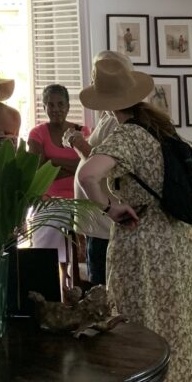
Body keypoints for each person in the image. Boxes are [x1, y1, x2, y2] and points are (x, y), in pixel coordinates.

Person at [76, 54, 192, 382]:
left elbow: (88, 176)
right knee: (181, 324)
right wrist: (172, 196)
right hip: (177, 244)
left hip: (140, 244)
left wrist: (112, 208)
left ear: (107, 105)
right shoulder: (163, 130)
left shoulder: (126, 136)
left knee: (140, 322)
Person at [65, 51, 128, 285]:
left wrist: (76, 141)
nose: (92, 81)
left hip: (105, 222)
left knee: (101, 289)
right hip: (98, 221)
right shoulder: (107, 116)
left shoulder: (115, 120)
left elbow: (97, 163)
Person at [26, 84, 89, 277]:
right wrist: (73, 166)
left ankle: (75, 290)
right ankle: (50, 289)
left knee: (81, 251)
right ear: (44, 107)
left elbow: (87, 164)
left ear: (68, 106)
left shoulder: (81, 131)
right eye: (50, 105)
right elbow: (38, 170)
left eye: (60, 104)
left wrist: (53, 161)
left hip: (80, 199)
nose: (56, 109)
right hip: (49, 200)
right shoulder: (37, 133)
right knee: (45, 249)